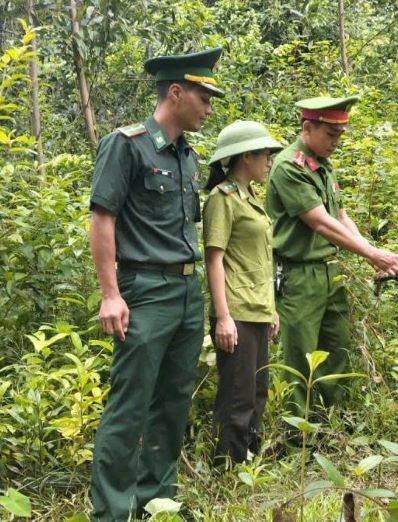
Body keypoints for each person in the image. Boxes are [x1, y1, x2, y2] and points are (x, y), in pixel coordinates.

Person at [88, 48, 224, 521]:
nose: (209, 106)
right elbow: (102, 218)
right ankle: (110, 511)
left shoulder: (188, 156)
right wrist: (111, 294)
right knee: (130, 405)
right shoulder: (127, 145)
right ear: (175, 92)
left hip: (187, 294)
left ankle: (156, 503)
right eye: (204, 96)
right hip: (145, 291)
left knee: (172, 403)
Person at [265, 96, 398, 417]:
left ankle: (332, 425)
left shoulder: (323, 165)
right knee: (300, 359)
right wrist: (373, 253)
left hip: (330, 272)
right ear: (307, 127)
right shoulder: (290, 166)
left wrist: (372, 254)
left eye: (339, 135)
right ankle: (296, 435)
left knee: (335, 350)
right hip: (299, 276)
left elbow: (340, 217)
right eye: (330, 135)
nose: (336, 143)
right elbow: (320, 222)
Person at [202, 120, 283, 464]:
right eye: (264, 154)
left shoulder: (250, 198)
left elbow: (260, 261)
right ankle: (228, 466)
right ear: (245, 156)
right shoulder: (222, 200)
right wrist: (223, 318)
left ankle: (250, 458)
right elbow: (214, 260)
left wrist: (272, 309)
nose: (268, 161)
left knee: (258, 392)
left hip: (258, 308)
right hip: (236, 311)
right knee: (238, 396)